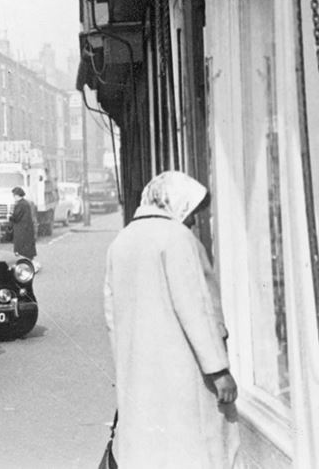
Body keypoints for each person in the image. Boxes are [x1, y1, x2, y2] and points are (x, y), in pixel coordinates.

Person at [104, 170, 240, 468]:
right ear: (176, 204)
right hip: (184, 376)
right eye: (191, 211)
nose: (192, 220)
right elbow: (197, 308)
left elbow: (112, 317)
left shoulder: (122, 241)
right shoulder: (177, 238)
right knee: (196, 451)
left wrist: (126, 368)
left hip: (142, 377)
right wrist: (219, 370)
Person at [8, 186, 40, 272]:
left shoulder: (20, 204)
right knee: (27, 248)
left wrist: (10, 217)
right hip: (27, 229)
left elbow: (16, 217)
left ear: (17, 195)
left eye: (14, 195)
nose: (13, 197)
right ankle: (28, 263)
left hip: (21, 230)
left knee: (21, 248)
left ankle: (23, 266)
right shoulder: (26, 203)